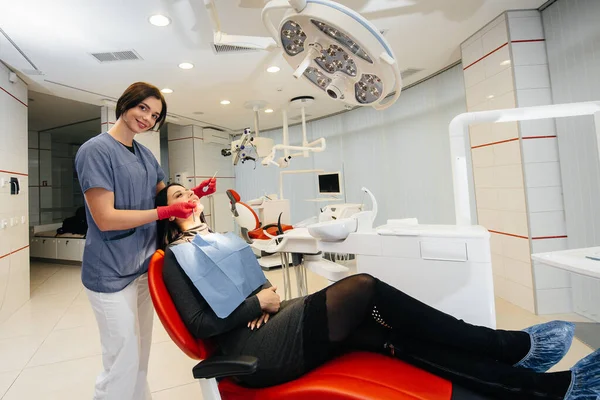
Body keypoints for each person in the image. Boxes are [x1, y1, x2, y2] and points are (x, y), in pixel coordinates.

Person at [156, 182, 600, 400]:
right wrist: (257, 303)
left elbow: (263, 288)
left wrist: (266, 297)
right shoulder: (175, 258)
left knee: (389, 335)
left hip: (275, 321)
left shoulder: (226, 240)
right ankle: (505, 345)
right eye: (176, 195)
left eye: (188, 191)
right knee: (363, 289)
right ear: (167, 213)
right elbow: (199, 326)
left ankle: (546, 390)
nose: (187, 197)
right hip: (254, 354)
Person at [74, 82, 217, 400]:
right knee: (121, 360)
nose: (147, 118)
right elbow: (105, 218)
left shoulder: (146, 156)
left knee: (140, 355)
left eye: (155, 115)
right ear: (126, 104)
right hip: (109, 273)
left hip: (143, 269)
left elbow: (165, 197)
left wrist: (197, 194)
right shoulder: (95, 151)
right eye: (143, 108)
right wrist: (166, 209)